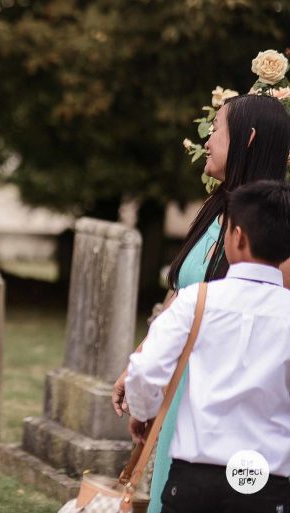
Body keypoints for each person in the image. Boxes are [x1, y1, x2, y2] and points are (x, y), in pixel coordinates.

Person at [111, 93, 290, 513]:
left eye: (216, 129)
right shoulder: (215, 210)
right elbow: (183, 295)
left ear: (245, 139)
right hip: (185, 392)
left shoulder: (274, 229)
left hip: (240, 410)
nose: (207, 140)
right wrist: (139, 360)